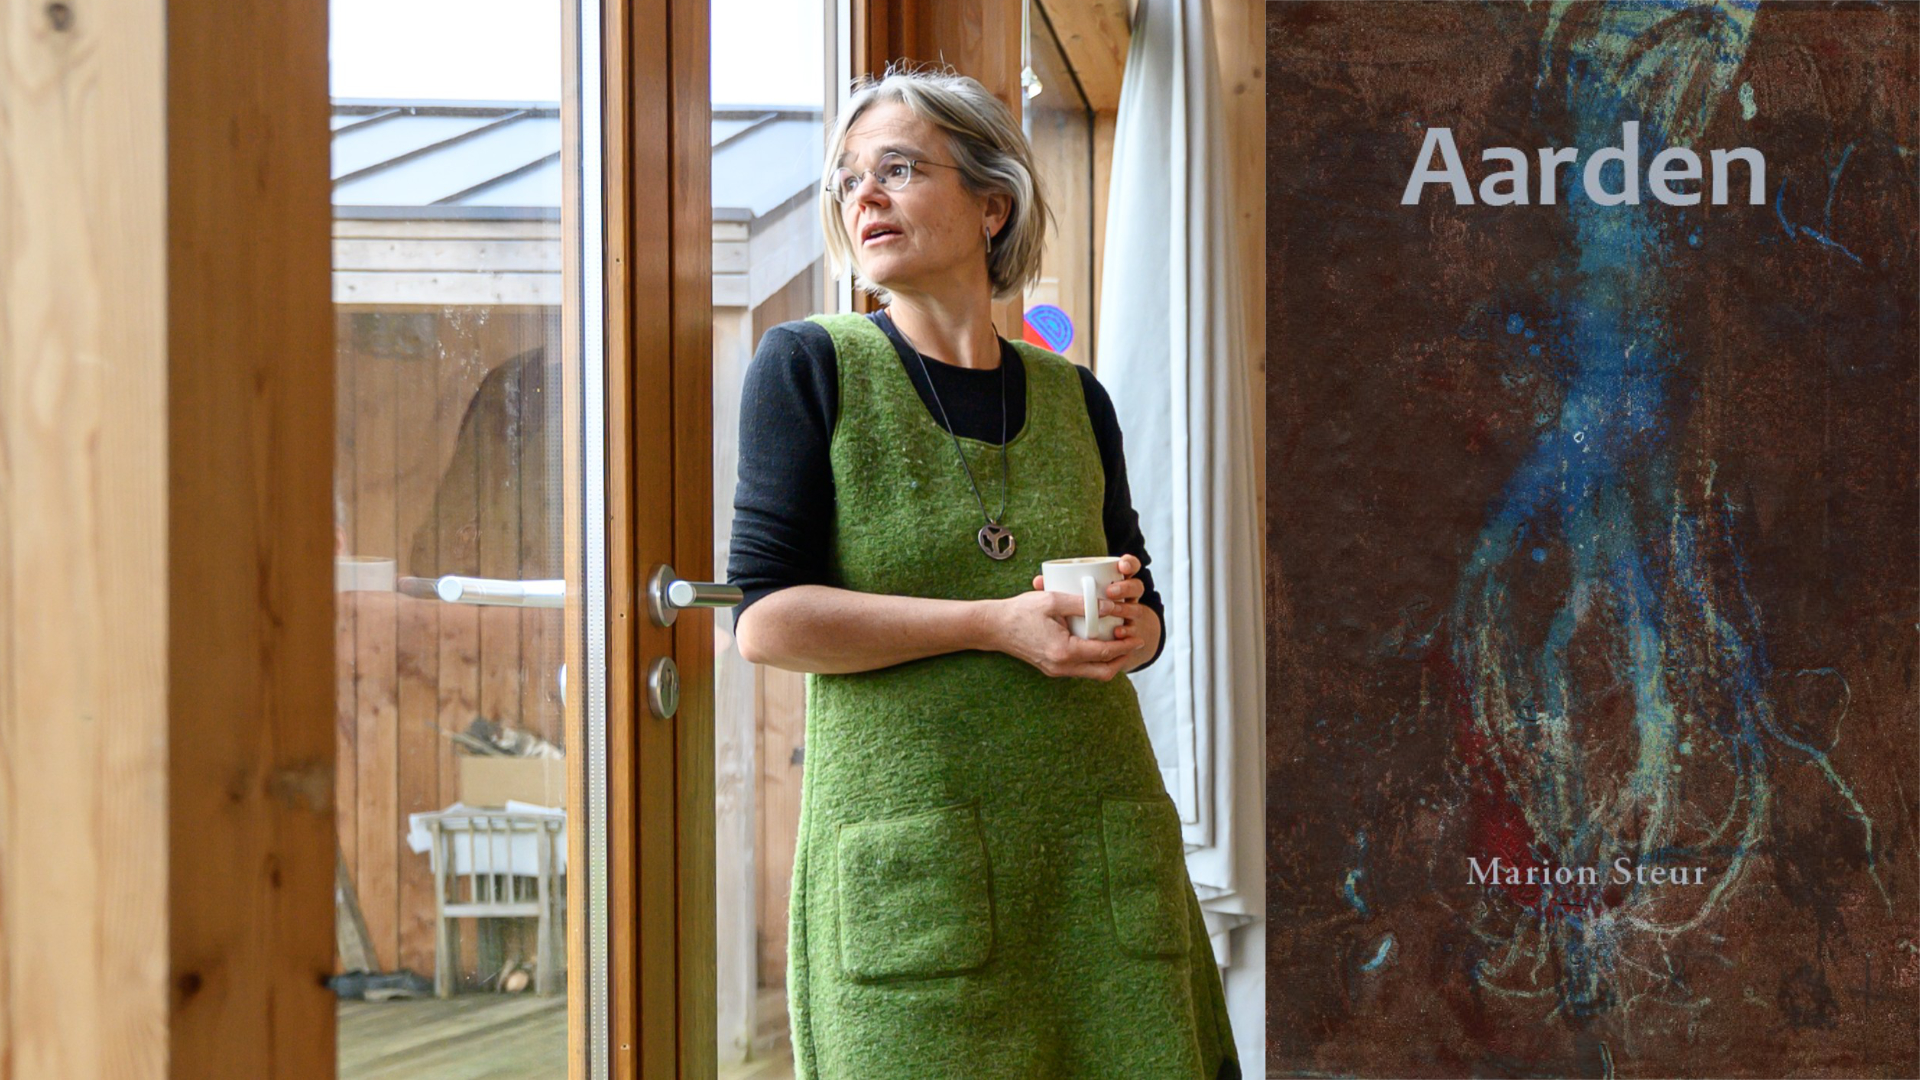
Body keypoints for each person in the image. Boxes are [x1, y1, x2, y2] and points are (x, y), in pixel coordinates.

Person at [726, 66, 1239, 1080]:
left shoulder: (1074, 396)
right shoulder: (809, 365)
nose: (864, 195)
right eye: (849, 181)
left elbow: (1149, 609)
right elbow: (767, 620)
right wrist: (993, 624)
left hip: (1094, 860)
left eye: (899, 169)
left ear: (991, 201)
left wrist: (1141, 630)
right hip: (921, 875)